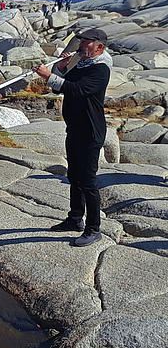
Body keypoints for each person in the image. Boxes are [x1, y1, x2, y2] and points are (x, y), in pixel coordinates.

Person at [33, 28, 112, 247]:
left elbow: (76, 90)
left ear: (99, 47)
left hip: (90, 131)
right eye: (81, 42)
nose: (80, 46)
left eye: (86, 43)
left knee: (88, 181)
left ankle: (93, 229)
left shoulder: (101, 69)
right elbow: (62, 86)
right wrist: (58, 68)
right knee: (74, 176)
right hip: (75, 128)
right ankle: (75, 219)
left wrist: (49, 77)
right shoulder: (83, 63)